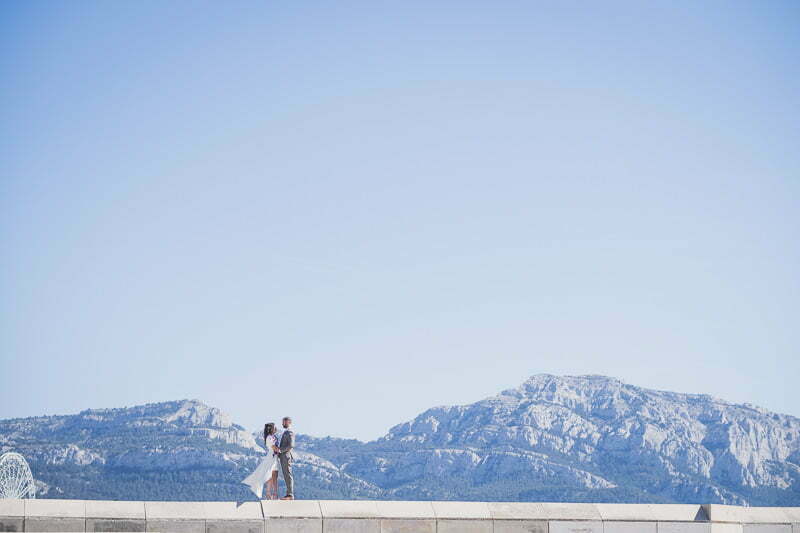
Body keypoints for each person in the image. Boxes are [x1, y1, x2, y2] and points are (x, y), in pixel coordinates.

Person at [241, 422, 281, 499]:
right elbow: (274, 447)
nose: (276, 428)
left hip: (275, 457)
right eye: (274, 427)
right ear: (271, 429)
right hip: (271, 457)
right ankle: (270, 493)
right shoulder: (269, 437)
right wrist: (282, 451)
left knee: (274, 476)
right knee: (270, 475)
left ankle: (274, 494)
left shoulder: (273, 436)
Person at [277, 416, 295, 500]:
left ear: (289, 422)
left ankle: (290, 495)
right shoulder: (286, 432)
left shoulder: (290, 432)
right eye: (282, 422)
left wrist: (280, 450)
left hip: (286, 456)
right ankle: (288, 494)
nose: (283, 423)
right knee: (285, 475)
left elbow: (291, 445)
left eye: (284, 422)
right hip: (283, 456)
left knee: (288, 475)